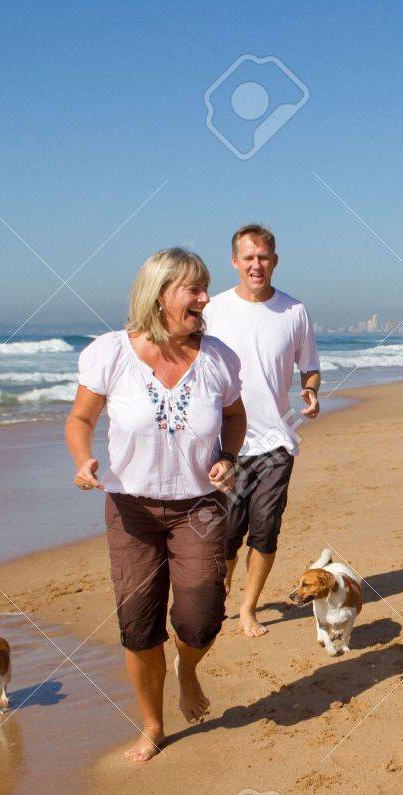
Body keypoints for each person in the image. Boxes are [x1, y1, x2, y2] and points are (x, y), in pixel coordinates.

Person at [65, 248, 247, 762]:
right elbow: (80, 420)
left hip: (200, 508)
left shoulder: (218, 358)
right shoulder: (110, 354)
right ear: (159, 294)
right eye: (194, 289)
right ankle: (152, 725)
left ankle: (187, 670)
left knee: (201, 617)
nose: (205, 298)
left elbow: (235, 416)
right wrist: (83, 461)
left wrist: (229, 457)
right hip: (131, 512)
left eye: (205, 288)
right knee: (138, 624)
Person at [203, 224, 321, 637]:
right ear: (235, 262)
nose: (256, 265)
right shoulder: (213, 309)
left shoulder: (294, 311)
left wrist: (309, 392)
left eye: (263, 257)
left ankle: (249, 607)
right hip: (224, 444)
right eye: (248, 257)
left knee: (265, 528)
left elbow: (310, 367)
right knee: (227, 534)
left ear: (275, 260)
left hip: (276, 440)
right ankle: (222, 594)